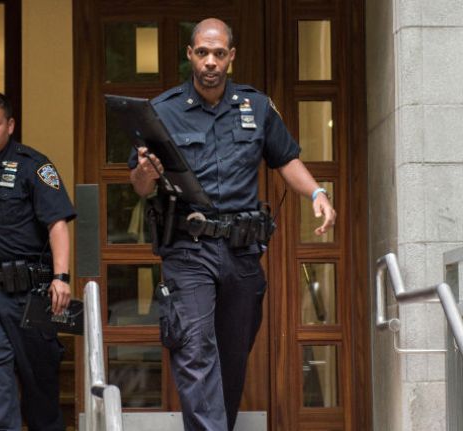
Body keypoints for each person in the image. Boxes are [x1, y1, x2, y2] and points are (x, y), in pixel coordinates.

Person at [129, 18, 336, 431]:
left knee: (231, 356)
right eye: (202, 53)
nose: (210, 62)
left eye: (219, 54)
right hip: (188, 250)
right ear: (190, 54)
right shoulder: (164, 110)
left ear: (231, 57)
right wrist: (147, 174)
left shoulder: (255, 107)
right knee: (195, 350)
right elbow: (137, 184)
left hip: (241, 252)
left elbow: (286, 159)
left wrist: (317, 194)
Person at [0, 91, 75, 430]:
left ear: (10, 126)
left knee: (40, 391)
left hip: (32, 295)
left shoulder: (34, 166)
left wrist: (62, 277)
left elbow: (57, 224)